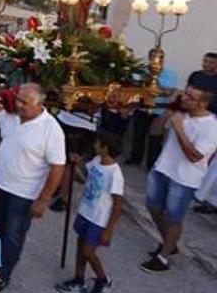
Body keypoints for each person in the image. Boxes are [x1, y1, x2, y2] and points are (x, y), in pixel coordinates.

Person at [0, 83, 65, 290]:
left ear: (39, 104)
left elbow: (57, 168)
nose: (18, 104)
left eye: (24, 102)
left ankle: (1, 274)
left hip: (24, 194)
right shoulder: (10, 115)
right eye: (17, 99)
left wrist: (44, 199)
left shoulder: (51, 129)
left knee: (13, 236)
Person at [140, 84, 217, 273]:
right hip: (162, 169)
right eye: (185, 94)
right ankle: (169, 242)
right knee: (153, 207)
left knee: (174, 218)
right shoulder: (180, 115)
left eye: (190, 97)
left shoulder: (212, 127)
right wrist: (166, 115)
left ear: (203, 103)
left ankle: (164, 257)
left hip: (184, 178)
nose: (184, 98)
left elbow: (195, 156)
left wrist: (180, 128)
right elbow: (154, 132)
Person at [55, 131, 124, 293]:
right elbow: (87, 174)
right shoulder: (97, 161)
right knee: (80, 245)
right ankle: (79, 279)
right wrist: (77, 163)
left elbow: (118, 204)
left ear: (106, 148)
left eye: (98, 143)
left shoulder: (115, 173)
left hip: (99, 219)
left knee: (88, 251)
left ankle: (103, 279)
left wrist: (109, 230)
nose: (94, 145)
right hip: (86, 211)